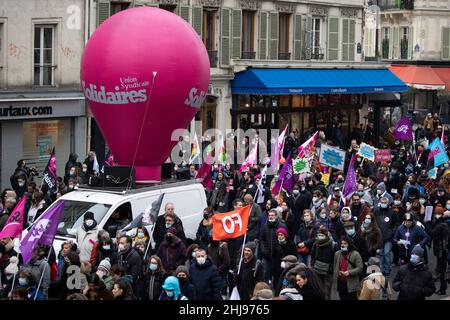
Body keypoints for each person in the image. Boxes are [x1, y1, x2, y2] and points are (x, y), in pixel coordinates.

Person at [310, 226, 338, 300]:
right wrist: (313, 265)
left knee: (326, 292)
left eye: (322, 235)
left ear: (326, 235)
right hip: (317, 271)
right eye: (319, 235)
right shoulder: (315, 244)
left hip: (328, 273)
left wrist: (331, 268)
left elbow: (335, 259)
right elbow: (312, 255)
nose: (320, 237)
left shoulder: (333, 245)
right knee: (318, 290)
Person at [259, 209, 285, 285]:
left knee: (276, 274)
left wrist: (279, 251)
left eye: (272, 215)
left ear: (276, 216)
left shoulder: (281, 225)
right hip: (266, 255)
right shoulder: (265, 226)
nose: (270, 217)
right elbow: (262, 239)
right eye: (269, 215)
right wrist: (263, 250)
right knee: (265, 273)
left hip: (277, 256)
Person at [373, 197, 398, 276]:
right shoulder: (376, 211)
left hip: (388, 237)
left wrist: (392, 232)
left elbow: (396, 224)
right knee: (380, 254)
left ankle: (387, 270)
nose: (383, 204)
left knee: (387, 253)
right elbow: (373, 222)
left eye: (385, 202)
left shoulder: (392, 213)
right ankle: (381, 269)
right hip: (379, 237)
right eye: (382, 202)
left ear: (388, 203)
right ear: (380, 202)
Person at [429, 208, 449, 295]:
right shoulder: (445, 224)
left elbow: (432, 233)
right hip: (445, 249)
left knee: (442, 271)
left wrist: (426, 224)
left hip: (441, 250)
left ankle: (443, 289)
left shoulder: (441, 225)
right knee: (442, 269)